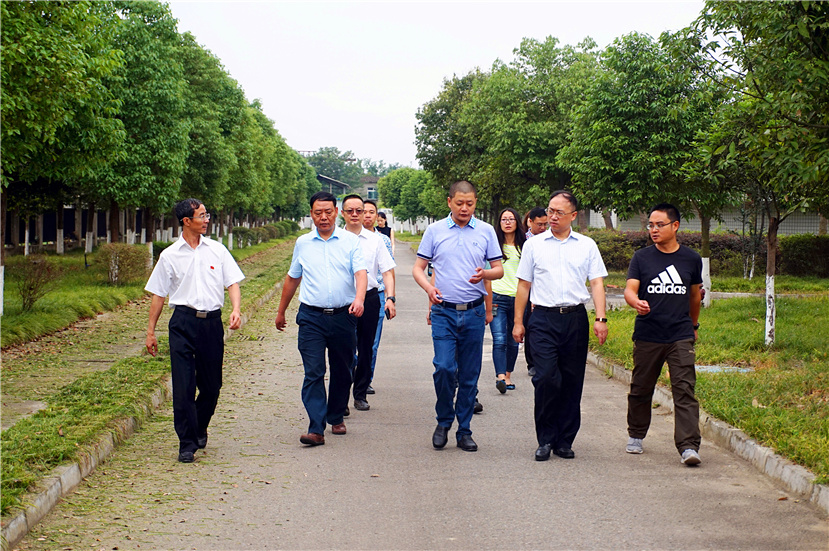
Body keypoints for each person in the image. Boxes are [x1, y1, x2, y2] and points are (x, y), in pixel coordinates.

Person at [145, 198, 244, 463]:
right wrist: (150, 331)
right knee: (184, 386)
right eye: (202, 215)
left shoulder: (217, 250)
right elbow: (158, 295)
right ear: (187, 221)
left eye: (206, 214)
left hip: (211, 323)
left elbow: (232, 283)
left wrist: (236, 309)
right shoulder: (170, 256)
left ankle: (200, 424)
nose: (206, 219)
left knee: (212, 386)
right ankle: (186, 443)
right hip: (183, 323)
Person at [513, 190, 608, 461]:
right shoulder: (534, 245)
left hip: (575, 319)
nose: (552, 216)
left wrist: (601, 318)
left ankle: (564, 440)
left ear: (573, 216)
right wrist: (518, 322)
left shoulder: (586, 245)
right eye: (550, 210)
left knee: (571, 380)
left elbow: (597, 282)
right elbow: (524, 285)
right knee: (545, 377)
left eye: (559, 212)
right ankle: (545, 438)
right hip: (542, 319)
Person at [413, 180, 503, 452]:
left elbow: (498, 269)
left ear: (475, 202)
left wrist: (484, 274)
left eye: (470, 203)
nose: (465, 208)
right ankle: (443, 420)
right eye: (460, 203)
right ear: (449, 201)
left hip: (474, 312)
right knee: (443, 368)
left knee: (469, 374)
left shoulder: (486, 231)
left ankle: (464, 430)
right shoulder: (434, 231)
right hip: (444, 312)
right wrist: (429, 288)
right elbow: (419, 268)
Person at [275, 191, 367, 446]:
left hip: (343, 316)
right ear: (312, 214)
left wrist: (359, 299)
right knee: (314, 371)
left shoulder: (350, 242)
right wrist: (281, 311)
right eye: (318, 213)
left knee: (342, 369)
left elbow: (361, 273)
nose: (323, 217)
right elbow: (293, 277)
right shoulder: (303, 243)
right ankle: (316, 427)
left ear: (336, 212)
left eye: (328, 212)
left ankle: (335, 414)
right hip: (311, 317)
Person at [624, 203, 703, 466]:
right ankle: (635, 434)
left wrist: (693, 326)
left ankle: (689, 446)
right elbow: (630, 290)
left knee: (684, 389)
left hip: (680, 334)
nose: (654, 230)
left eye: (659, 225)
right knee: (641, 387)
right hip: (648, 334)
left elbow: (694, 296)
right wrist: (636, 302)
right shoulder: (642, 257)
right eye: (650, 225)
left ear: (675, 226)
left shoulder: (691, 259)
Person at [341, 195, 396, 412]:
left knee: (366, 348)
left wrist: (390, 298)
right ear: (342, 214)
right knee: (343, 350)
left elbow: (387, 272)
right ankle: (341, 396)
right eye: (350, 211)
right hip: (343, 300)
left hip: (371, 299)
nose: (355, 215)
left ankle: (360, 393)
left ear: (365, 213)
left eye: (359, 210)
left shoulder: (376, 240)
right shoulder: (335, 238)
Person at [484, 207, 526, 393]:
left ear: (517, 222)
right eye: (503, 219)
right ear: (499, 223)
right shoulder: (493, 246)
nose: (507, 222)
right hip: (497, 298)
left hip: (519, 300)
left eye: (511, 219)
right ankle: (500, 376)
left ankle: (508, 375)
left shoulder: (525, 246)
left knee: (514, 339)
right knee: (499, 339)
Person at [362, 199, 395, 394]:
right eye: (363, 211)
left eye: (370, 212)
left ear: (377, 217)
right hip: (352, 297)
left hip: (378, 295)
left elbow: (388, 271)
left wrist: (391, 298)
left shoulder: (381, 240)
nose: (366, 215)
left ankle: (366, 380)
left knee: (371, 343)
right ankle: (353, 376)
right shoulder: (345, 238)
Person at [522, 206, 549, 377]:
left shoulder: (549, 240)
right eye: (539, 224)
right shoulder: (524, 241)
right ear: (530, 222)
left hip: (543, 290)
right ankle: (531, 362)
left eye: (545, 224)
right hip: (526, 289)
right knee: (529, 326)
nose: (543, 228)